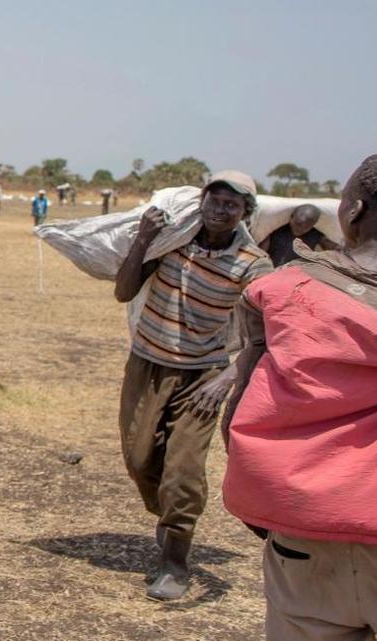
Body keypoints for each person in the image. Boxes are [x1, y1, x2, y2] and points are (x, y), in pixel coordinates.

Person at [222, 156, 377, 640]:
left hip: (306, 537)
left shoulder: (283, 291)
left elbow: (240, 411)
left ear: (350, 212)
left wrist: (275, 512)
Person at [113, 170, 272, 601]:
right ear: (201, 202)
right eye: (214, 200)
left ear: (245, 213)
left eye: (232, 205)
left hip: (202, 376)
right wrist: (143, 239)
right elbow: (123, 293)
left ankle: (175, 560)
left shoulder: (252, 264)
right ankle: (168, 518)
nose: (220, 210)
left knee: (183, 469)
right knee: (140, 458)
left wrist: (226, 379)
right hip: (146, 363)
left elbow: (267, 334)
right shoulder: (172, 242)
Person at [259, 204, 340, 267]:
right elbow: (261, 254)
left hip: (297, 273)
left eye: (306, 227)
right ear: (291, 217)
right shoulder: (277, 231)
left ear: (313, 225)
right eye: (297, 224)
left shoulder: (315, 235)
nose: (299, 229)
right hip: (272, 270)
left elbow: (333, 250)